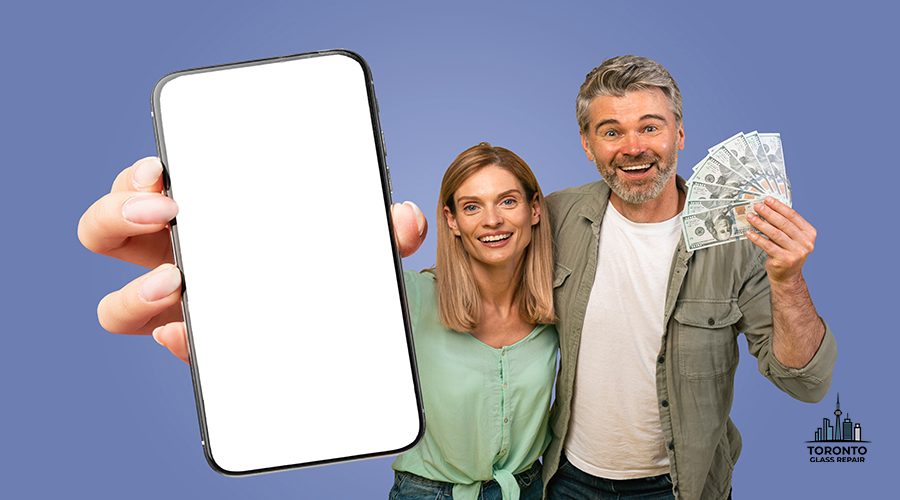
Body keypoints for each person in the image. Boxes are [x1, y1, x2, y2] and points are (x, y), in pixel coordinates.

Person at [78, 143, 558, 500]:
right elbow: (303, 305)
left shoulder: (562, 303)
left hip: (533, 491)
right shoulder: (406, 297)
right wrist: (215, 274)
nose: (492, 220)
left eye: (508, 201)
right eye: (472, 206)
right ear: (452, 221)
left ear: (534, 209)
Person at [535, 55, 836, 500]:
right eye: (612, 132)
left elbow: (806, 383)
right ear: (587, 144)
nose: (633, 147)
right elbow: (477, 286)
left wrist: (789, 279)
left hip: (683, 488)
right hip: (569, 480)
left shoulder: (741, 238)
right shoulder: (556, 216)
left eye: (650, 127)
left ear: (679, 133)